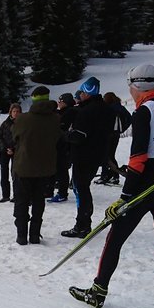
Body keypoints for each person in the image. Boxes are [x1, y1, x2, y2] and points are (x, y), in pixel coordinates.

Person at [70, 63, 154, 308]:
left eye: (130, 85)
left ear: (137, 86)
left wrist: (125, 196)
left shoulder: (144, 112)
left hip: (143, 188)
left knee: (114, 238)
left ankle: (98, 291)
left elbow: (139, 158)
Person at [62, 77, 116, 239]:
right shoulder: (106, 109)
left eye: (82, 93)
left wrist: (65, 135)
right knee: (83, 187)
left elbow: (79, 135)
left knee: (81, 188)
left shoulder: (87, 111)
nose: (80, 96)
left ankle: (82, 225)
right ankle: (83, 223)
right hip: (98, 154)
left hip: (84, 155)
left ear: (87, 93)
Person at [11, 87, 60, 245]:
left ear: (33, 99)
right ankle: (34, 234)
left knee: (21, 202)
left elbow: (14, 136)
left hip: (23, 167)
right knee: (39, 202)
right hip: (45, 168)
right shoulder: (55, 119)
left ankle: (21, 235)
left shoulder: (23, 119)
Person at [98, 92, 131, 185]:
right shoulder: (120, 107)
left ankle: (105, 175)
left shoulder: (108, 108)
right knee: (111, 155)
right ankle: (114, 176)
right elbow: (129, 118)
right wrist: (122, 129)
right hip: (116, 135)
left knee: (106, 156)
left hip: (108, 134)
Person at [49, 92, 77, 202]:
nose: (58, 104)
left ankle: (62, 193)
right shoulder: (67, 112)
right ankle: (62, 190)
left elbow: (62, 128)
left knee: (62, 169)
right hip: (65, 145)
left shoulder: (69, 113)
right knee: (61, 169)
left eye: (60, 102)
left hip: (65, 146)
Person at [0, 103, 21, 203]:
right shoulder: (5, 124)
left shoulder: (22, 123)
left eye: (18, 111)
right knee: (3, 173)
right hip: (4, 151)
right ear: (10, 112)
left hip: (17, 151)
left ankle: (16, 195)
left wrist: (14, 148)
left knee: (15, 173)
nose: (16, 113)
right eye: (14, 111)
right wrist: (5, 148)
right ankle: (5, 195)